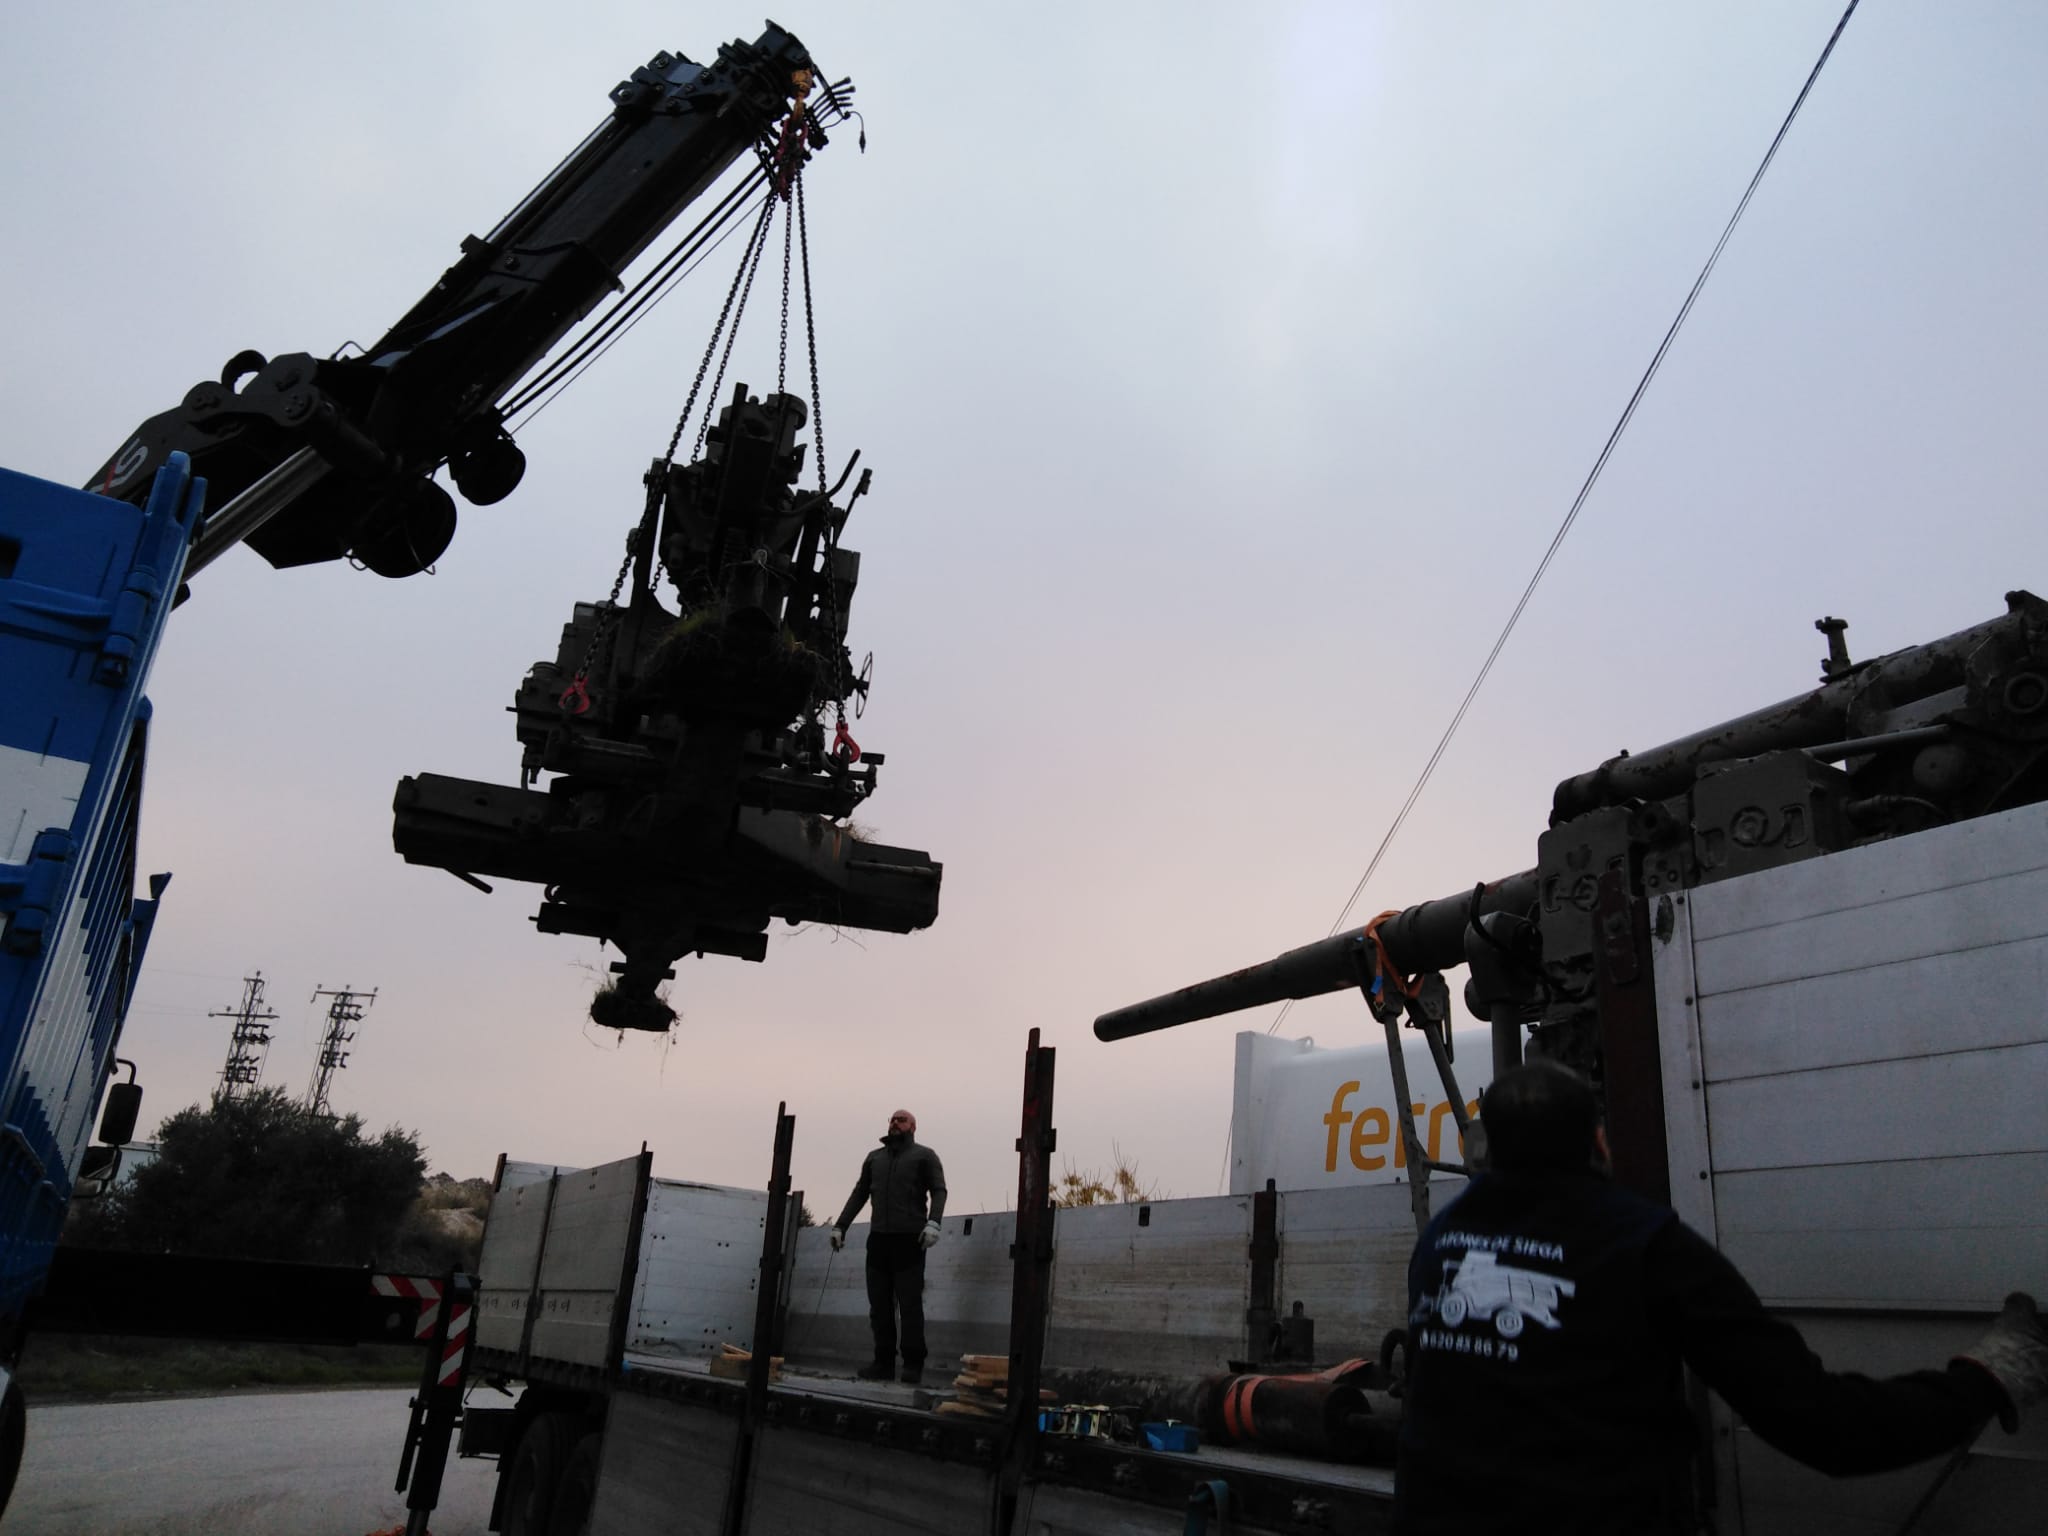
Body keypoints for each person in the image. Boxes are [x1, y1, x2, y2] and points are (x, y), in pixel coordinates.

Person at [1396, 1059, 2048, 1535]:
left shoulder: (1440, 1244)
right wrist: (1990, 1378)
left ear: (1482, 1148)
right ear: (1597, 1142)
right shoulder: (1642, 1243)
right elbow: (1829, 1428)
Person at [830, 1108, 948, 1384]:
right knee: (879, 1306)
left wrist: (934, 1223)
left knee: (909, 1304)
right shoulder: (875, 1158)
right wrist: (840, 1226)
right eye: (892, 1119)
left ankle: (913, 1365)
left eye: (902, 1119)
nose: (895, 1122)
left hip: (910, 1239)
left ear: (914, 1126)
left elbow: (939, 1190)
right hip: (879, 1240)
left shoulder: (924, 1156)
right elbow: (860, 1192)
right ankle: (883, 1363)